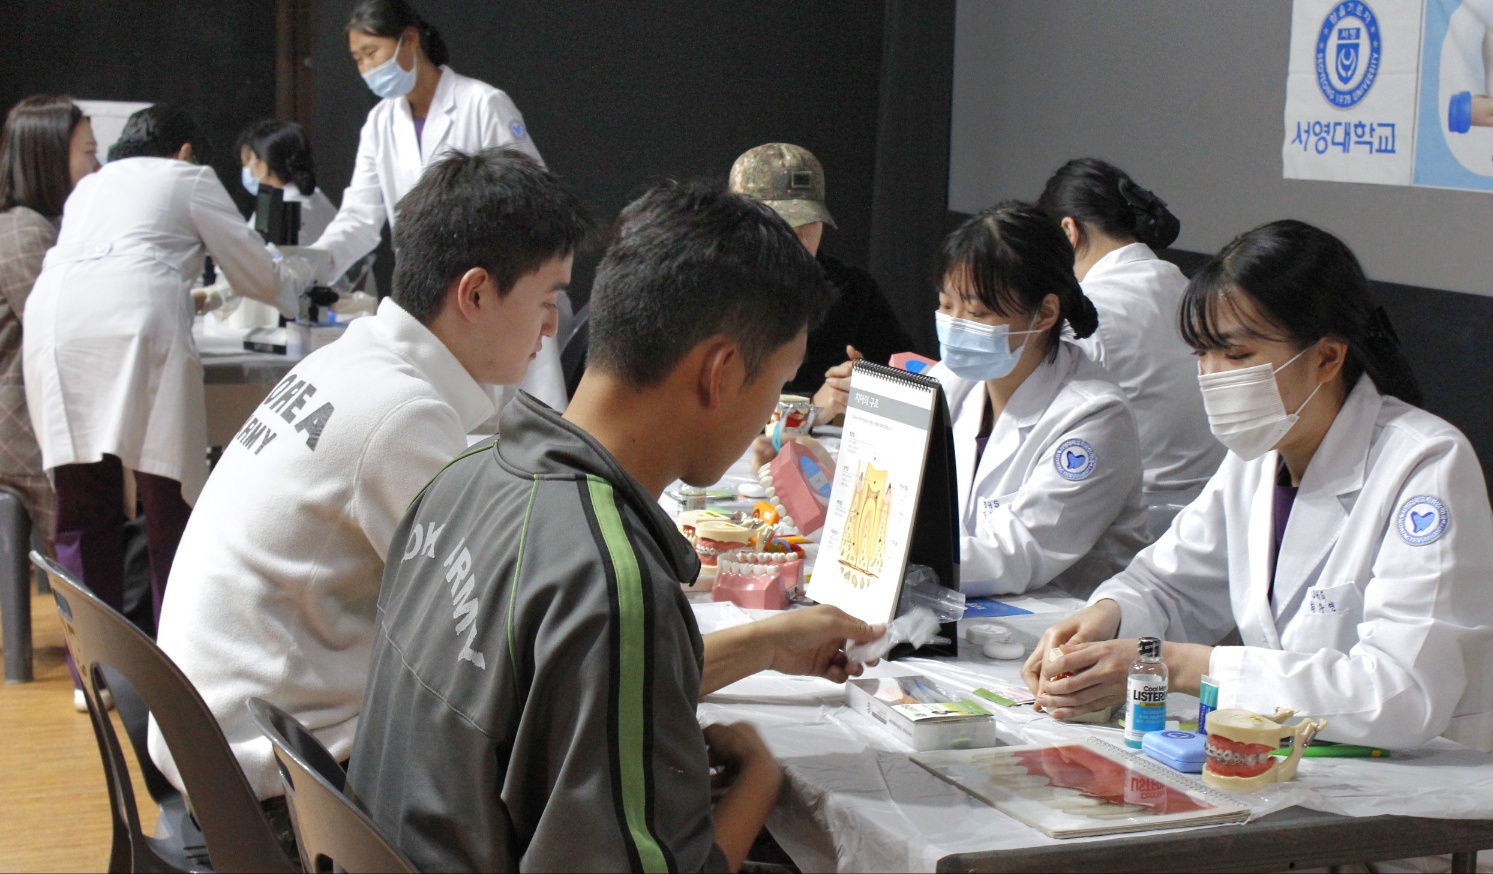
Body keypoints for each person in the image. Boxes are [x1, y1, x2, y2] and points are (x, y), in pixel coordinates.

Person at [347, 179, 885, 871]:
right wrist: (759, 779)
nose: (768, 415)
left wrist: (766, 643)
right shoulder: (611, 580)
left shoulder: (462, 477)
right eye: (776, 385)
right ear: (721, 372)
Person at [149, 148, 587, 848]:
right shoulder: (400, 415)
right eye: (546, 300)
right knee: (550, 759)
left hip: (212, 748)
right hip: (277, 791)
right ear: (475, 294)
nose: (551, 327)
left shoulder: (352, 362)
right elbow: (513, 636)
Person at [1028, 220, 1493, 760]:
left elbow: (1400, 692)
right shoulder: (1260, 458)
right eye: (1202, 355)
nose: (1213, 376)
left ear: (1327, 357)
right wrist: (1107, 618)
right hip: (1294, 765)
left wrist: (1178, 664)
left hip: (1426, 788)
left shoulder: (1425, 464)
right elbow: (1169, 585)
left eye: (1236, 357)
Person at [23, 105, 311, 644]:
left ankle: (93, 666)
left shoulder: (89, 188)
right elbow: (256, 274)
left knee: (83, 506)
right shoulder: (188, 177)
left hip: (54, 324)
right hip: (138, 324)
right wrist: (300, 286)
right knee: (167, 501)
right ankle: (176, 656)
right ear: (184, 152)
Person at [311, 0, 567, 411]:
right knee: (435, 416)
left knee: (512, 417)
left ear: (410, 40)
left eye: (372, 53)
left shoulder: (482, 103)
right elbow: (359, 216)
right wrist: (313, 263)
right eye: (358, 60)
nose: (366, 69)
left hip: (492, 291)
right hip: (427, 300)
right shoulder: (380, 123)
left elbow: (534, 200)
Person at [931, 202, 1149, 598]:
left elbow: (1016, 553)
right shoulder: (949, 381)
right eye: (947, 306)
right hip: (962, 600)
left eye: (977, 312)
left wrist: (905, 560)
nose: (955, 324)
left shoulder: (1095, 416)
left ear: (1045, 313)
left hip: (1061, 618)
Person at [1036, 158, 1222, 512]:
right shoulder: (1187, 289)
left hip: (1131, 520)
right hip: (1208, 510)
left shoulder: (1086, 313)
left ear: (1068, 232)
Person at [728, 143, 914, 422]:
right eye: (782, 223)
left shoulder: (852, 289)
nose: (798, 238)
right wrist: (810, 411)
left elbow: (914, 396)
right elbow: (707, 415)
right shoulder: (713, 290)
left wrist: (872, 388)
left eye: (809, 221)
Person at [0, 96, 98, 558]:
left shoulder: (36, 225)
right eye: (89, 153)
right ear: (49, 158)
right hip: (19, 429)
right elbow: (63, 334)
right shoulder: (25, 232)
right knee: (92, 529)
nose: (97, 167)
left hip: (27, 419)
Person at [211, 118, 344, 330]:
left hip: (302, 315)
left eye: (247, 161)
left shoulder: (289, 208)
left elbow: (263, 263)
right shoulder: (311, 199)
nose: (245, 169)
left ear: (263, 164)